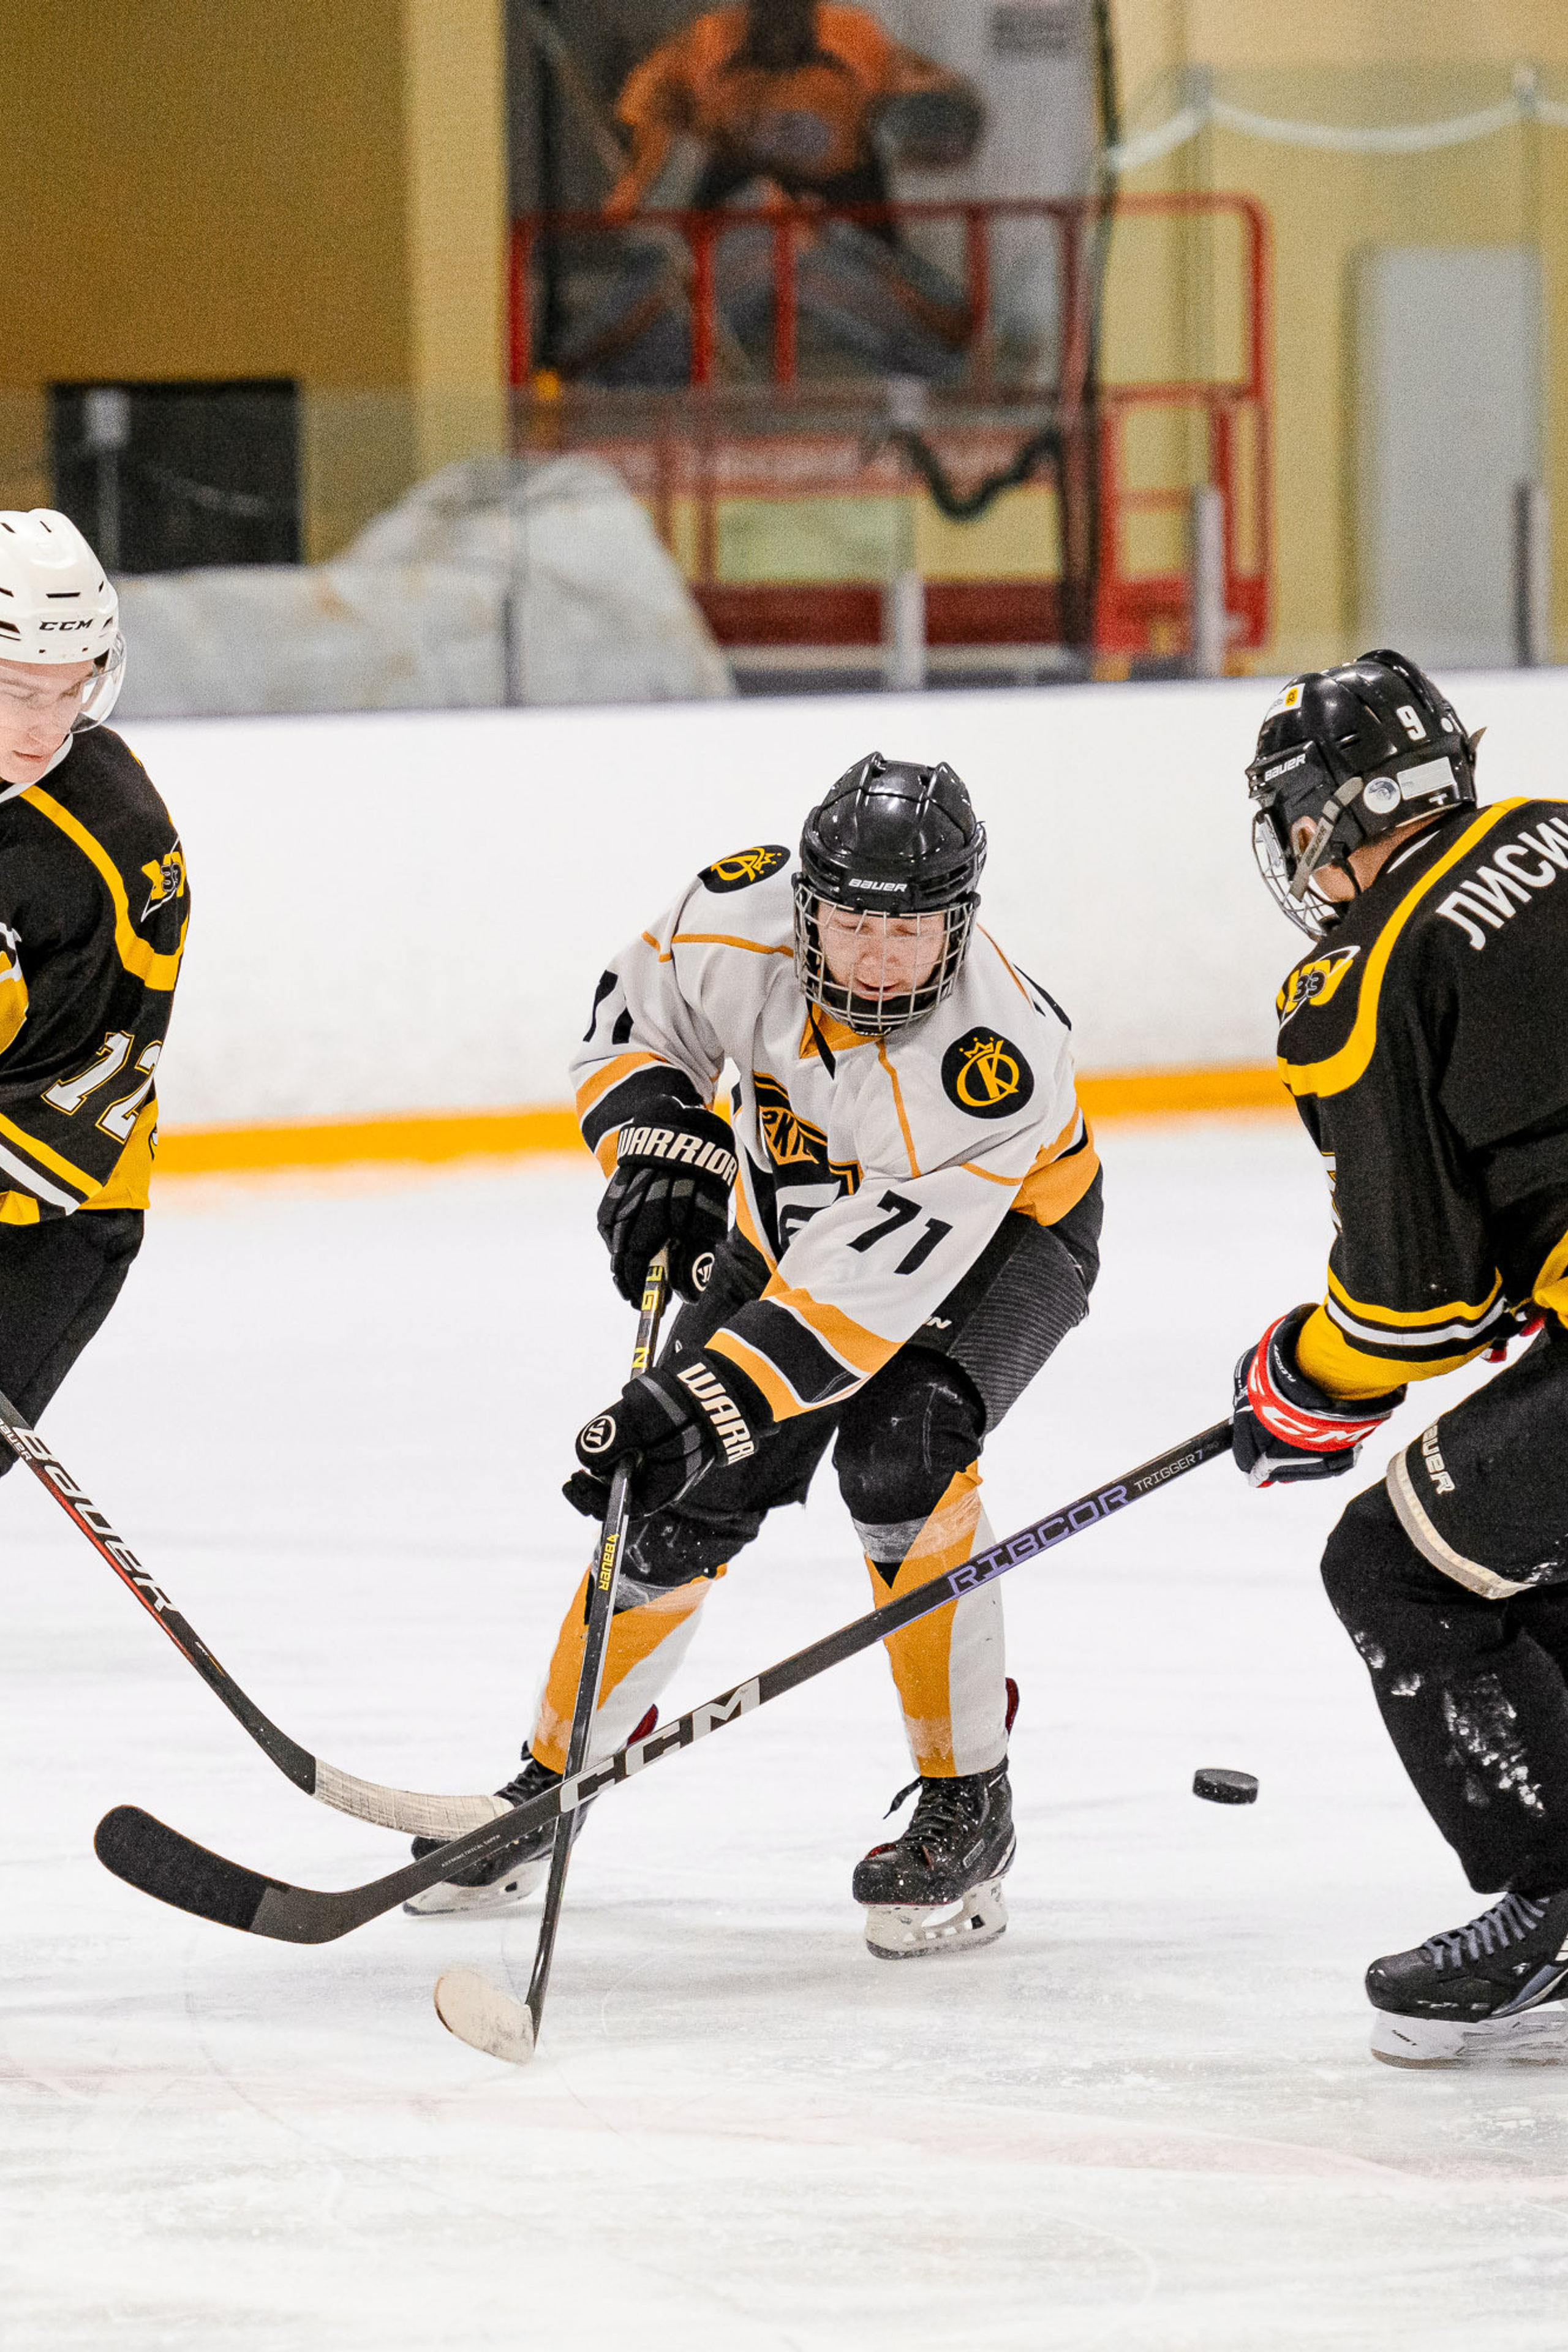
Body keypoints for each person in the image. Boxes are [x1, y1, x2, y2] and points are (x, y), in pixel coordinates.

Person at [410, 753, 1102, 1958]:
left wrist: (695, 1397)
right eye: (850, 924)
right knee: (668, 1494)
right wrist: (656, 1145)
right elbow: (636, 1022)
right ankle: (547, 1787)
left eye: (912, 930)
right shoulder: (729, 921)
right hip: (781, 1229)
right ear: (803, 907)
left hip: (1003, 1241)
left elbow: (855, 1309)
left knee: (900, 1455)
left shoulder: (992, 1059)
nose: (880, 958)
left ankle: (965, 1802)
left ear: (960, 921)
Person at [1234, 648, 1568, 2066]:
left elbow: (1407, 1302)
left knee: (1393, 1559)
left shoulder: (1363, 973)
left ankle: (1552, 1896)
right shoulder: (1551, 828)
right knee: (1522, 1536)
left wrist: (1298, 1383)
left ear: (1327, 811)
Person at [0, 510, 187, 1453]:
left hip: (46, 1216)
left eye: (69, 691)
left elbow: (87, 1086)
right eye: (15, 690)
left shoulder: (109, 841)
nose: (45, 727)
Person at [603, 0, 978, 225]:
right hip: (740, 195)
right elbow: (653, 105)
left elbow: (946, 96)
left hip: (841, 193)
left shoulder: (853, 38)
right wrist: (635, 183)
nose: (782, 29)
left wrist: (924, 117)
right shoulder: (709, 41)